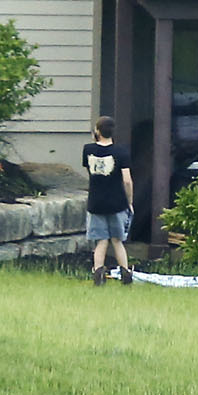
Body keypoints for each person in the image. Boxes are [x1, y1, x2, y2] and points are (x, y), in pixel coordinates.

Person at [82, 116, 133, 283]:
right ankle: (125, 274)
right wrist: (129, 201)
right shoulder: (121, 152)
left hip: (96, 202)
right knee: (117, 241)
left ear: (97, 131)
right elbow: (127, 180)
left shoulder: (88, 149)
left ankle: (98, 274)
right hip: (117, 203)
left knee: (101, 241)